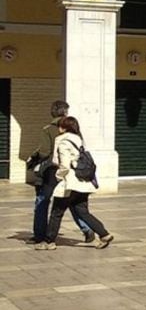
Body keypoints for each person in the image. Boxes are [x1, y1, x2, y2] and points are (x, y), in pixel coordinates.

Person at [39, 116, 113, 250]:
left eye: (61, 126)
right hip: (83, 182)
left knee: (57, 212)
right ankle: (104, 234)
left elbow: (64, 165)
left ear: (65, 128)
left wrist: (58, 176)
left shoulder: (62, 142)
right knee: (83, 212)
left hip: (70, 183)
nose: (59, 128)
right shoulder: (79, 140)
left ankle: (49, 241)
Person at [30, 100, 93, 245]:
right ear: (65, 112)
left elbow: (44, 152)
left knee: (42, 200)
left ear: (52, 112)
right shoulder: (73, 129)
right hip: (70, 170)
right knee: (73, 201)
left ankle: (40, 234)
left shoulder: (48, 129)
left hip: (51, 170)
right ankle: (87, 229)